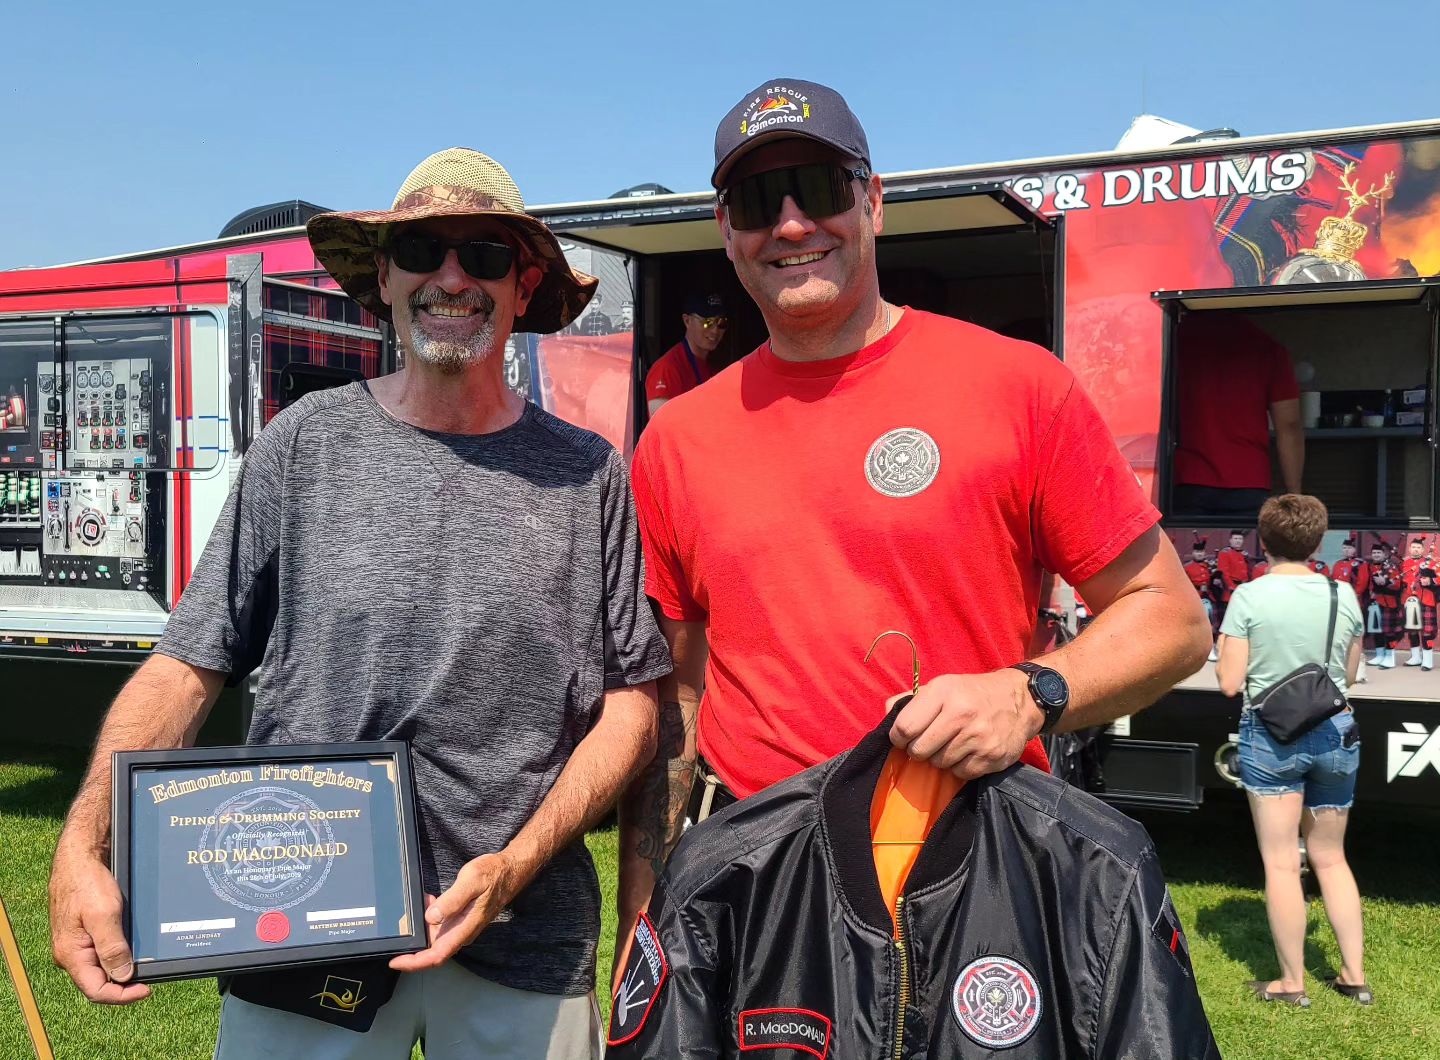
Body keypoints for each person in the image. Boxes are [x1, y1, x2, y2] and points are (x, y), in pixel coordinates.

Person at [47, 148, 670, 1059]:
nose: (451, 277)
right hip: (294, 923)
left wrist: (516, 866)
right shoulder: (302, 445)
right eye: (422, 249)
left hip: (523, 940)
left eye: (486, 255)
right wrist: (81, 842)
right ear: (383, 275)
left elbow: (633, 704)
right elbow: (189, 661)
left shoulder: (589, 475)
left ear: (524, 284)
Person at [614, 77, 1211, 972]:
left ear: (874, 202)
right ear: (726, 231)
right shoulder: (676, 443)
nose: (788, 225)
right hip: (763, 888)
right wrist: (641, 936)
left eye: (817, 190)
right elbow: (678, 705)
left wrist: (1027, 695)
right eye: (753, 201)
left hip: (978, 872)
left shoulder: (1016, 387)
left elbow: (1172, 619)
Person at [1216, 494, 1370, 1007]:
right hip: (1336, 732)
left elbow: (1229, 682)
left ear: (1265, 540)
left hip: (1272, 737)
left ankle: (1291, 983)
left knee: (1282, 863)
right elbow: (1348, 676)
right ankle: (1353, 975)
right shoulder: (1341, 595)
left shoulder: (1249, 597)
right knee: (1331, 857)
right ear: (1317, 540)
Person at [1172, 313, 1304, 520]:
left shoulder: (1174, 341)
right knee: (1248, 551)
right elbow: (1289, 425)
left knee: (1184, 551)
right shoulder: (1266, 348)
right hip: (1249, 480)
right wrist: (1294, 494)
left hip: (1189, 479)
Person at [644, 292, 728, 415]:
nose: (715, 330)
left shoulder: (714, 367)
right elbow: (662, 425)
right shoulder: (666, 368)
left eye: (721, 323)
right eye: (707, 322)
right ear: (687, 321)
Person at [1366, 540, 1403, 669]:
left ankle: (1390, 657)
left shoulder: (1391, 567)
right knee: (1377, 630)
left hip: (1389, 603)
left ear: (1383, 554)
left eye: (1378, 552)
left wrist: (1385, 581)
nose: (1376, 555)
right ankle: (1379, 655)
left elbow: (1397, 585)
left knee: (1389, 632)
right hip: (1376, 601)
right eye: (1374, 552)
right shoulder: (1371, 566)